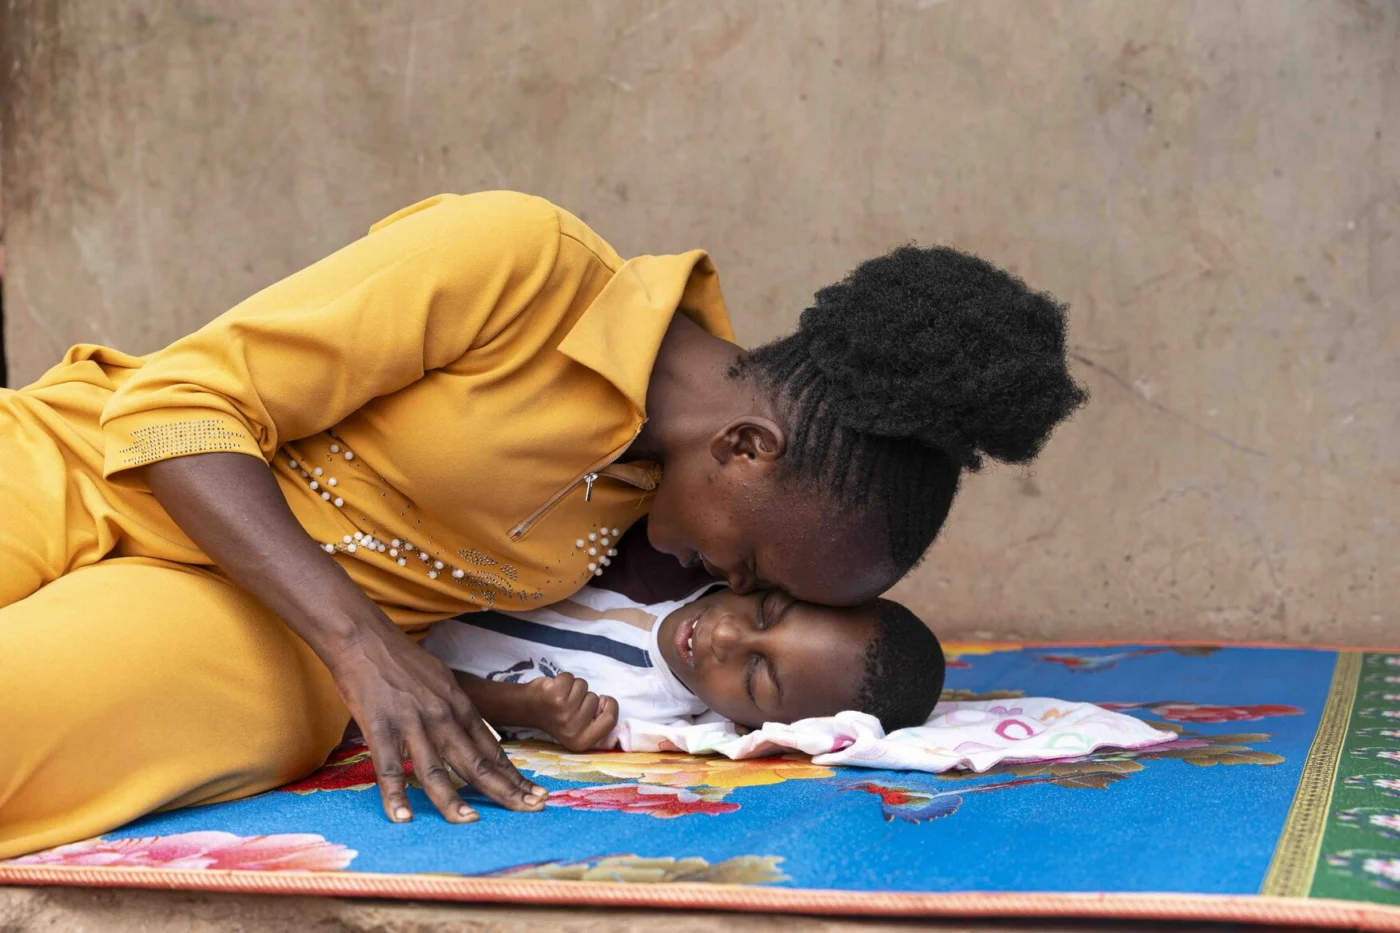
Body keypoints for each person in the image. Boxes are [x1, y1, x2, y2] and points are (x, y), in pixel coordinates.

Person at [0, 190, 1084, 860]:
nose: (716, 579)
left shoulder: (651, 519)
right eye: (747, 561)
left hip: (237, 635)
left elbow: (795, 675)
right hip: (80, 464)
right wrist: (363, 646)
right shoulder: (524, 266)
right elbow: (179, 409)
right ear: (746, 448)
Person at [424, 584, 945, 751]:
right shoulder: (675, 552)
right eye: (766, 610)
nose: (725, 634)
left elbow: (422, 694)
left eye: (756, 676)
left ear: (751, 727)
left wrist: (522, 708)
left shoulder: (634, 719)